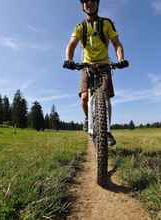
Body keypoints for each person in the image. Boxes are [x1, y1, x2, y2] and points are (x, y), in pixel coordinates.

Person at [63, 0, 129, 146]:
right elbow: (72, 44)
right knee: (84, 98)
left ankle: (107, 130)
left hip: (105, 65)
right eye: (85, 1)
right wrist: (69, 59)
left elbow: (116, 44)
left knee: (105, 98)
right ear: (83, 6)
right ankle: (88, 118)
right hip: (87, 65)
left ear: (97, 4)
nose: (89, 3)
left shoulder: (106, 23)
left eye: (92, 0)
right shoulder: (80, 27)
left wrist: (121, 59)